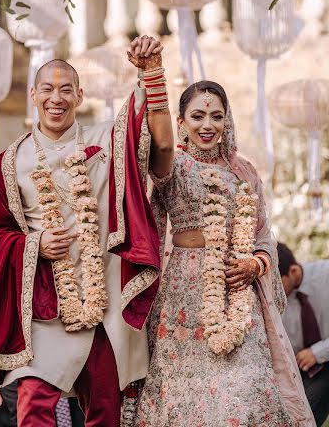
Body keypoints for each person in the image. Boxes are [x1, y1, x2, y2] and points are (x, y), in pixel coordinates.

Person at [0, 35, 174, 427]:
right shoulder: (11, 162)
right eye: (47, 88)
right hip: (49, 307)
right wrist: (33, 244)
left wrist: (150, 71)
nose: (56, 98)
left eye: (67, 90)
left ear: (80, 96)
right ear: (34, 95)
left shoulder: (103, 142)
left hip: (103, 304)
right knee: (33, 403)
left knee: (105, 411)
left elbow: (144, 128)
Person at [132, 80, 315, 427]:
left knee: (245, 391)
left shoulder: (242, 172)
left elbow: (264, 235)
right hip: (185, 298)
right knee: (185, 399)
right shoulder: (173, 167)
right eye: (197, 116)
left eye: (216, 116)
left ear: (226, 121)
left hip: (236, 295)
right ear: (181, 122)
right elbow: (160, 148)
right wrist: (154, 74)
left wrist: (255, 264)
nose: (207, 125)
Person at [278, 241, 329, 427]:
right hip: (298, 367)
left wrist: (317, 353)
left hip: (325, 362)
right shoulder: (275, 298)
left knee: (307, 412)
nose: (274, 290)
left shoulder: (326, 275)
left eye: (278, 283)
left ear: (293, 271)